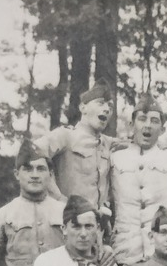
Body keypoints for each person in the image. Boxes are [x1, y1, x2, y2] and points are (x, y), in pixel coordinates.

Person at [109, 95, 167, 266]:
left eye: (154, 121)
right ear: (131, 125)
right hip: (125, 248)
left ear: (162, 129)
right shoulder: (114, 158)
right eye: (142, 119)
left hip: (163, 250)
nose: (147, 125)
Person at [0, 138, 68, 266]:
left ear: (50, 174)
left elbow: (87, 250)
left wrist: (105, 250)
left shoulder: (65, 212)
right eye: (28, 169)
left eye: (40, 169)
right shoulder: (1, 215)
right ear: (16, 174)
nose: (34, 175)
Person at [37, 82, 123, 216]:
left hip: (95, 225)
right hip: (66, 221)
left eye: (110, 106)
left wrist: (162, 144)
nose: (106, 109)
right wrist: (58, 198)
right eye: (100, 103)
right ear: (83, 108)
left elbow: (134, 143)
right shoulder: (65, 136)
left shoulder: (107, 142)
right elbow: (32, 152)